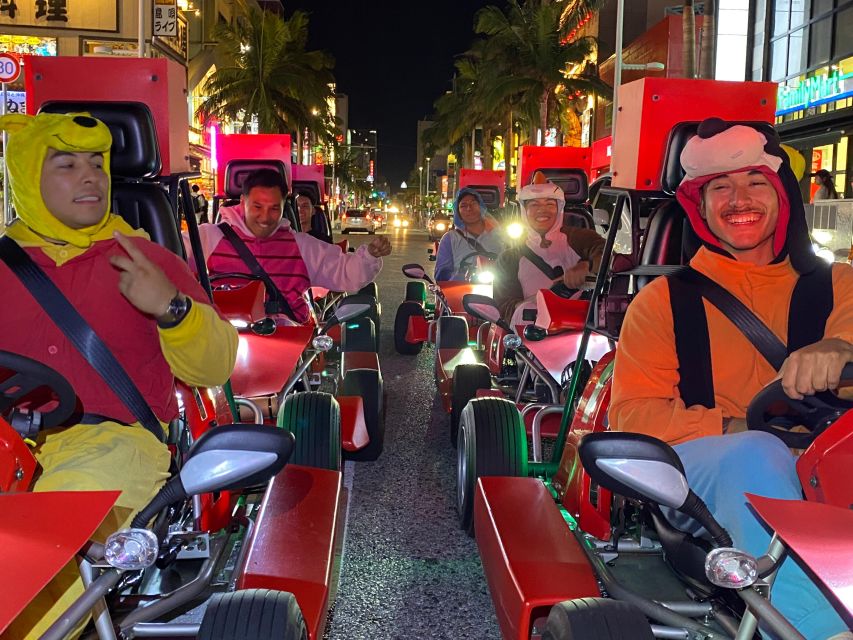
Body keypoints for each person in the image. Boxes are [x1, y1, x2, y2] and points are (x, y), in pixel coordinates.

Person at [610, 118, 853, 640]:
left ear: (783, 195)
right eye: (721, 187)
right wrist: (741, 425)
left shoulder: (840, 285)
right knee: (755, 454)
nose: (738, 199)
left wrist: (840, 346)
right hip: (712, 472)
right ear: (700, 209)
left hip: (827, 467)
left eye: (755, 183)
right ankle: (820, 629)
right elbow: (632, 415)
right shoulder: (662, 302)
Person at [0, 111, 238, 639]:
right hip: (7, 442)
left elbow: (217, 364)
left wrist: (171, 308)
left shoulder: (145, 259)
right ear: (26, 176)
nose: (90, 177)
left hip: (109, 440)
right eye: (66, 164)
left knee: (43, 560)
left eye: (97, 163)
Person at [188, 169, 390, 323]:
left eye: (274, 208)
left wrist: (369, 255)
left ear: (283, 207)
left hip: (287, 346)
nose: (265, 217)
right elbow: (168, 259)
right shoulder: (208, 237)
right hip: (221, 344)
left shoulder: (300, 245)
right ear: (242, 202)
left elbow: (345, 272)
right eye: (257, 207)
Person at [493, 177, 605, 325]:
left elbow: (608, 256)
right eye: (534, 205)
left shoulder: (582, 238)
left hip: (582, 330)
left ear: (559, 208)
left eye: (549, 204)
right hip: (531, 334)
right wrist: (531, 307)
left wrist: (587, 266)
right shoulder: (508, 259)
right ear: (524, 210)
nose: (542, 210)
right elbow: (503, 305)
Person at [434, 188, 504, 281]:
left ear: (481, 207)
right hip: (461, 292)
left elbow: (511, 265)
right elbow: (441, 274)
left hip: (496, 291)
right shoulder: (450, 239)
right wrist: (461, 276)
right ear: (458, 211)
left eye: (473, 204)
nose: (469, 208)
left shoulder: (500, 236)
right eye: (463, 205)